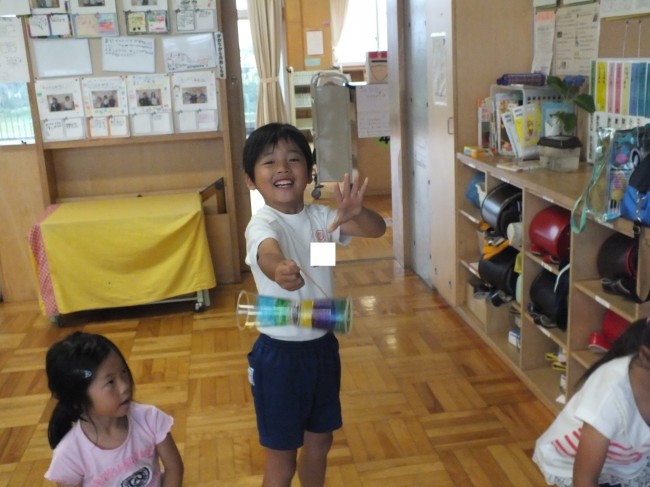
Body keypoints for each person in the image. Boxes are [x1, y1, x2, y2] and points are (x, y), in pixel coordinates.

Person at [242, 122, 386, 487]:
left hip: (322, 348)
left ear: (309, 172)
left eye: (293, 159)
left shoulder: (322, 218)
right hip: (278, 357)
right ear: (250, 180)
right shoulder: (262, 223)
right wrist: (279, 270)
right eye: (269, 162)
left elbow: (377, 229)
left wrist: (356, 213)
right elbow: (266, 252)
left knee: (320, 443)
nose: (282, 168)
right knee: (282, 459)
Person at [44, 331, 184, 486]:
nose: (125, 386)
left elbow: (174, 468)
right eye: (110, 382)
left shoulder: (150, 418)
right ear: (78, 398)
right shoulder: (69, 457)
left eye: (123, 372)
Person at [533, 318, 650, 487]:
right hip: (571, 465)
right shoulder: (610, 393)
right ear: (645, 355)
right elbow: (584, 480)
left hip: (630, 461)